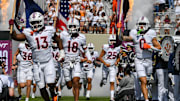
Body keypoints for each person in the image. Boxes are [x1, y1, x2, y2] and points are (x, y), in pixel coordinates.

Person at [9, 11, 65, 101]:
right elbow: (16, 37)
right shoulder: (28, 32)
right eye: (33, 22)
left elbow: (58, 40)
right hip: (37, 64)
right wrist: (12, 29)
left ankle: (53, 92)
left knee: (50, 82)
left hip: (48, 61)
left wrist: (62, 52)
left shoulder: (49, 30)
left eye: (37, 22)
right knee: (41, 87)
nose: (35, 24)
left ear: (42, 21)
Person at [119, 16, 161, 101]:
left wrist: (149, 46)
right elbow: (124, 38)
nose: (141, 26)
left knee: (149, 81)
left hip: (149, 60)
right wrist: (120, 31)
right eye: (140, 24)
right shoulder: (134, 32)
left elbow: (159, 48)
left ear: (147, 24)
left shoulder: (151, 33)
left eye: (143, 24)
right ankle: (146, 99)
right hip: (138, 60)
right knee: (143, 80)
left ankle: (150, 96)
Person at [59, 17, 92, 101]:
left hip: (76, 60)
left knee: (76, 82)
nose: (72, 28)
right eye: (70, 26)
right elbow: (57, 41)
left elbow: (85, 49)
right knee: (69, 85)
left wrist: (89, 58)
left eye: (74, 26)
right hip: (66, 61)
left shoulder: (82, 37)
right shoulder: (63, 34)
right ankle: (57, 92)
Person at [98, 34, 121, 101]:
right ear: (108, 41)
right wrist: (105, 63)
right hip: (105, 67)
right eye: (111, 40)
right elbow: (100, 57)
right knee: (105, 81)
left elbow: (119, 57)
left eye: (114, 41)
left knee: (112, 82)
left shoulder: (118, 48)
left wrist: (117, 61)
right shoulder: (106, 47)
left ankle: (112, 97)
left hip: (112, 67)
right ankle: (103, 80)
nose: (112, 42)